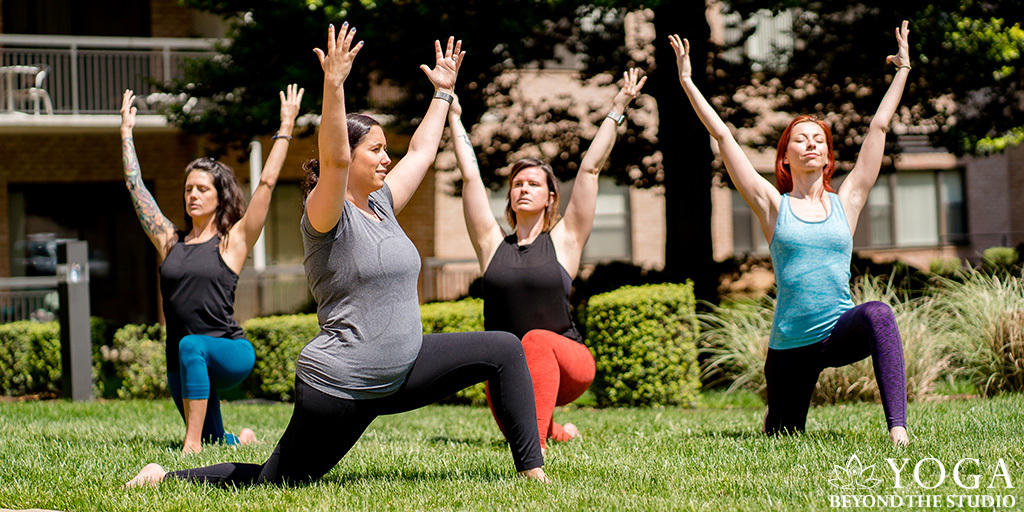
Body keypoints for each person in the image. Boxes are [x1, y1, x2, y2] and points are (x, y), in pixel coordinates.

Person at [126, 23, 550, 488]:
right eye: (377, 150)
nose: (387, 159)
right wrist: (334, 85)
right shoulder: (326, 216)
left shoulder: (383, 204)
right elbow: (335, 161)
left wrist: (443, 94)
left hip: (404, 368)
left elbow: (425, 152)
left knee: (505, 349)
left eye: (387, 150)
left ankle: (533, 473)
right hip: (340, 384)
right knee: (279, 480)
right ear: (352, 156)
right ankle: (164, 478)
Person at [669, 21, 912, 445]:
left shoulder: (847, 201)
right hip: (790, 346)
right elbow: (724, 137)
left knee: (878, 314)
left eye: (819, 140)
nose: (811, 145)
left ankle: (898, 430)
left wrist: (902, 71)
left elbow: (878, 129)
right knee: (782, 434)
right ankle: (775, 414)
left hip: (837, 330)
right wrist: (688, 82)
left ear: (827, 157)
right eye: (801, 139)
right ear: (787, 154)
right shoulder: (772, 205)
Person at [447, 69, 646, 450]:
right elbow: (471, 179)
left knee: (535, 341)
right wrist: (454, 116)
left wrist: (618, 108)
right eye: (517, 184)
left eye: (533, 184)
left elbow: (590, 169)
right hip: (509, 372)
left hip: (570, 363)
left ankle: (531, 458)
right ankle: (556, 431)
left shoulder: (565, 241)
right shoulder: (491, 244)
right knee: (509, 359)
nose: (523, 188)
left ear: (550, 197)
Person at [119, 83, 304, 453]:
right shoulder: (169, 241)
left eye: (202, 189)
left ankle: (191, 448)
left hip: (228, 352)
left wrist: (285, 126)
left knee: (192, 348)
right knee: (214, 434)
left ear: (220, 196)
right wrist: (126, 134)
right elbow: (136, 187)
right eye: (188, 189)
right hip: (183, 360)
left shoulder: (231, 242)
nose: (193, 195)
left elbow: (267, 183)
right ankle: (239, 438)